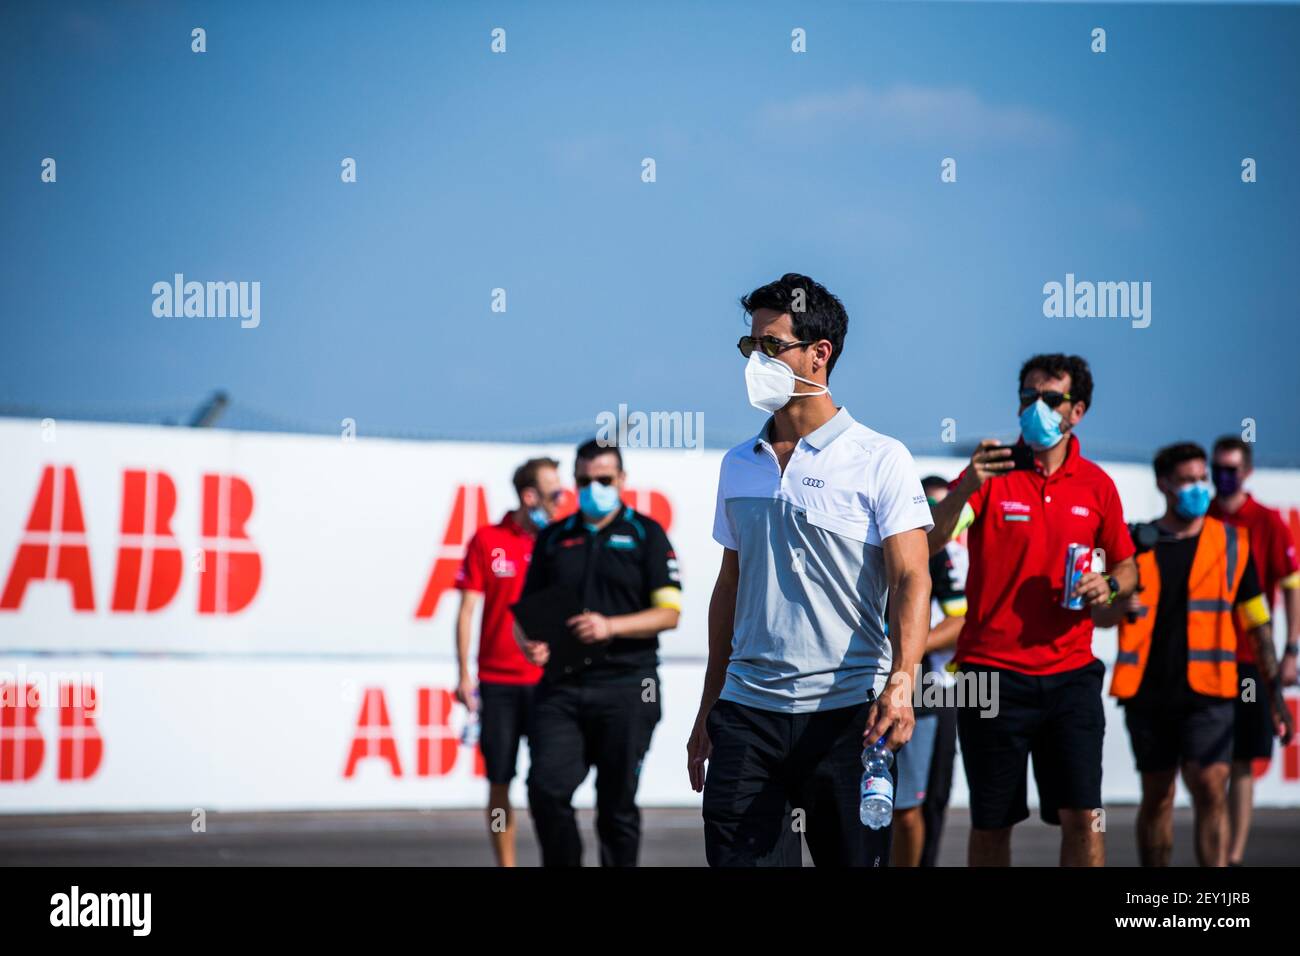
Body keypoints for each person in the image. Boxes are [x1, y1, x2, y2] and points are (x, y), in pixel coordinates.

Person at [688, 273, 933, 867]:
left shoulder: (881, 457)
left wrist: (903, 680)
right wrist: (707, 709)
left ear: (819, 354)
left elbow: (911, 580)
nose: (755, 360)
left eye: (771, 346)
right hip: (747, 716)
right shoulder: (738, 464)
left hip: (848, 716)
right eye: (750, 346)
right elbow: (729, 588)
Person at [927, 353, 1138, 867]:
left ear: (1077, 411)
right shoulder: (990, 472)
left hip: (1071, 677)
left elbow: (1129, 569)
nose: (1035, 409)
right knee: (992, 823)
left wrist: (1106, 584)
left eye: (1049, 399)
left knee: (1084, 817)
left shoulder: (1097, 485)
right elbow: (930, 540)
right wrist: (969, 487)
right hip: (991, 678)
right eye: (1028, 398)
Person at [1096, 442, 1287, 867]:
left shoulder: (1233, 543)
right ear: (1164, 484)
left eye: (1202, 479)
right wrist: (1113, 606)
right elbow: (1101, 616)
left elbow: (1257, 619)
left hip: (1212, 691)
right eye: (1187, 480)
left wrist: (1274, 696)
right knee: (1158, 796)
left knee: (1211, 786)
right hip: (1148, 691)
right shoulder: (1134, 543)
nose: (1199, 488)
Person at [515, 439, 681, 866]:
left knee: (616, 805)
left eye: (604, 479)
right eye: (585, 480)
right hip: (563, 687)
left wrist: (610, 626)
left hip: (629, 684)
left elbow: (669, 613)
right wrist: (528, 644)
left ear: (622, 480)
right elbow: (525, 614)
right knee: (546, 789)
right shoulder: (554, 538)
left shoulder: (646, 533)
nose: (594, 487)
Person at [453, 457, 563, 866]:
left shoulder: (558, 542)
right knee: (499, 783)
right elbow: (466, 610)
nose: (561, 501)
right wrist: (464, 674)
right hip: (498, 684)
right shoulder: (486, 539)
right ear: (529, 495)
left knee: (550, 784)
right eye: (555, 493)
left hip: (548, 684)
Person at [1207, 436, 1300, 865]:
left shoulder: (1265, 521)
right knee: (1211, 764)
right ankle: (1215, 852)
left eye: (1231, 468)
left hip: (1248, 662)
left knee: (1243, 760)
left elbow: (1291, 584)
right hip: (1204, 660)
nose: (1222, 476)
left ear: (1246, 471)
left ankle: (1233, 855)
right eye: (1217, 467)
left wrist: (1290, 649)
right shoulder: (1200, 516)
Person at [915, 474, 968, 867]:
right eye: (931, 507)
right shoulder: (914, 540)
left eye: (947, 508)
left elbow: (961, 620)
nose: (940, 516)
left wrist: (909, 644)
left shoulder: (962, 549)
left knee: (933, 795)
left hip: (945, 686)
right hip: (904, 678)